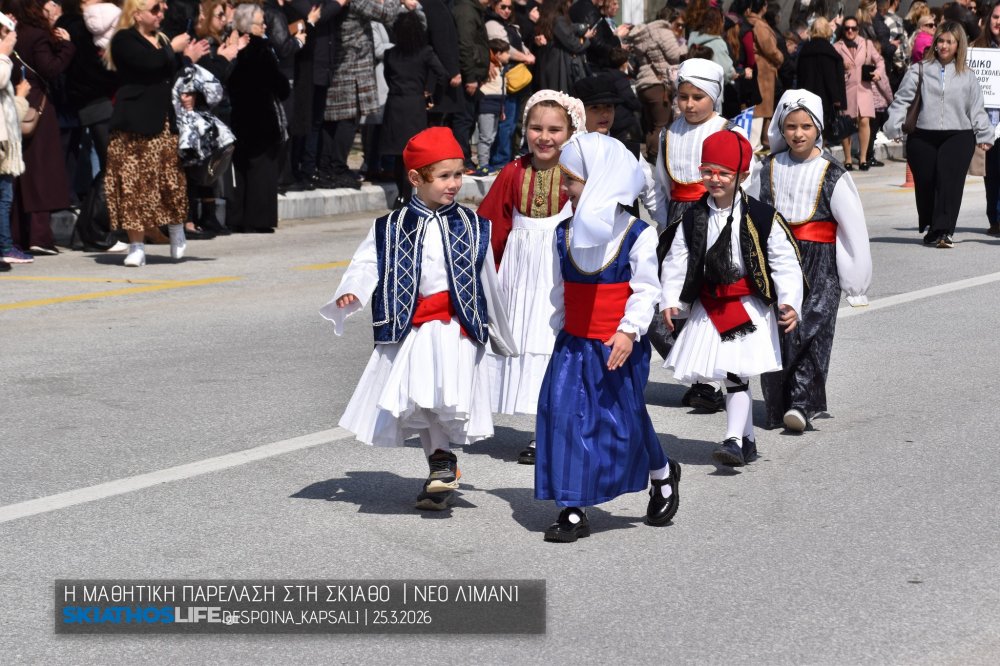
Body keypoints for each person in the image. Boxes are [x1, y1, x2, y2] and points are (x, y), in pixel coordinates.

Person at [319, 126, 516, 512]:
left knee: (438, 399)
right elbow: (366, 264)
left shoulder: (472, 225)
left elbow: (488, 281)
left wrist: (498, 330)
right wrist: (353, 291)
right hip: (412, 326)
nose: (454, 183)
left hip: (456, 327)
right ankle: (441, 465)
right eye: (444, 176)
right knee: (422, 399)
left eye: (458, 174)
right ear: (416, 178)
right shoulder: (390, 227)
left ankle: (441, 465)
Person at [536, 131, 679, 542]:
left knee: (624, 418)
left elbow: (646, 290)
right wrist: (559, 329)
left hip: (618, 344)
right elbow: (560, 288)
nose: (565, 188)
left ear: (600, 180)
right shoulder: (562, 232)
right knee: (565, 416)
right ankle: (573, 507)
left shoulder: (637, 233)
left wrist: (628, 331)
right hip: (573, 343)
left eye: (572, 180)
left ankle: (662, 472)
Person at [660, 128, 803, 467]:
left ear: (743, 174)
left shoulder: (762, 216)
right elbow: (677, 259)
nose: (715, 179)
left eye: (723, 172)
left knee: (735, 374)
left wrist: (789, 301)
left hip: (747, 306)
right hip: (709, 304)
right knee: (731, 374)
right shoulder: (692, 217)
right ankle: (747, 441)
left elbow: (784, 261)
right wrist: (670, 298)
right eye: (707, 171)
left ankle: (734, 440)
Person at [746, 90, 872, 432]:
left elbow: (853, 228)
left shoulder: (832, 172)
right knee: (780, 330)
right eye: (791, 127)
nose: (798, 133)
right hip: (777, 260)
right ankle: (778, 404)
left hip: (819, 264)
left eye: (805, 126)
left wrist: (855, 281)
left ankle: (803, 403)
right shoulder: (769, 168)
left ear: (817, 128)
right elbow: (752, 216)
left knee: (812, 330)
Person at [478, 89, 585, 465]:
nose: (544, 137)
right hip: (519, 277)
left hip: (559, 275)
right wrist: (480, 273)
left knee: (551, 345)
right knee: (524, 342)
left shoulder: (577, 174)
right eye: (536, 128)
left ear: (571, 132)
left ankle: (550, 433)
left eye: (555, 129)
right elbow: (491, 224)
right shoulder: (513, 171)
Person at [652, 58, 739, 412]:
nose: (688, 104)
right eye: (683, 96)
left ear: (713, 97)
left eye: (697, 97)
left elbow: (742, 183)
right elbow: (660, 185)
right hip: (677, 225)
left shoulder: (728, 131)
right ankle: (697, 374)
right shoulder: (668, 134)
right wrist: (664, 226)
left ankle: (714, 380)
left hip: (714, 224)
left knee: (709, 302)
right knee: (665, 304)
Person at [105, 0, 209, 267]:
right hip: (134, 123)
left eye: (162, 9)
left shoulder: (162, 39)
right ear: (137, 13)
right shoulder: (124, 39)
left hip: (164, 122)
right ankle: (136, 246)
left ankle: (176, 229)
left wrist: (188, 87)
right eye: (155, 9)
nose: (161, 14)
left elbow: (176, 74)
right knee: (132, 185)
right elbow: (146, 64)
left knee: (170, 181)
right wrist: (174, 50)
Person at [885, 20, 994, 248]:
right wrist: (894, 125)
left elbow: (976, 108)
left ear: (958, 45)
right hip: (922, 136)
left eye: (949, 42)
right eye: (940, 41)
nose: (944, 46)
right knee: (926, 183)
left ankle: (945, 232)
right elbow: (902, 100)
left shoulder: (968, 75)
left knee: (949, 183)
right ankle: (933, 228)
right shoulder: (919, 70)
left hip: (959, 135)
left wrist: (984, 134)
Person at [6, 0, 75, 257]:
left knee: (15, 169)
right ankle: (39, 235)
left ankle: (15, 235)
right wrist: (66, 47)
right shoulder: (36, 35)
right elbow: (50, 68)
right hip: (36, 106)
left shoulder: (7, 34)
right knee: (41, 170)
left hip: (10, 103)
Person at [381, 10, 451, 207]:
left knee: (398, 154)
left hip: (395, 103)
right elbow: (442, 75)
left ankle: (401, 195)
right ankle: (407, 193)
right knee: (411, 154)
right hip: (415, 104)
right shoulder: (425, 52)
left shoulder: (390, 54)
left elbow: (387, 77)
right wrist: (434, 96)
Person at [626, 5, 687, 163]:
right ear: (670, 20)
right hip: (658, 83)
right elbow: (675, 55)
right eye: (678, 24)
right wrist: (683, 44)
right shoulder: (663, 31)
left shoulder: (645, 32)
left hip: (644, 83)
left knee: (652, 125)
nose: (679, 28)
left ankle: (651, 155)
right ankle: (656, 158)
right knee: (661, 124)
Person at [0, 21, 32, 266]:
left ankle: (5, 245)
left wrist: (20, 98)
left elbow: (9, 113)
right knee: (4, 197)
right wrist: (4, 54)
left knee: (5, 195)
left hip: (6, 142)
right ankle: (5, 246)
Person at [796, 17, 847, 144]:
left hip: (806, 96)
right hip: (824, 98)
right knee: (821, 127)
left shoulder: (804, 50)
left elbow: (799, 74)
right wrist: (837, 98)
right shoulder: (828, 51)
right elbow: (830, 78)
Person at [974, 3, 1000, 235]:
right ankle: (994, 219)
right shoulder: (977, 49)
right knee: (991, 175)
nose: (998, 22)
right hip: (987, 125)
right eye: (996, 17)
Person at [534, 0, 594, 93]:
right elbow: (573, 44)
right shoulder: (558, 19)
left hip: (548, 64)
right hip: (558, 66)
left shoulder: (546, 18)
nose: (570, 5)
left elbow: (569, 29)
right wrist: (586, 39)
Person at [474, 38, 512, 177]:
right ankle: (483, 165)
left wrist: (502, 109)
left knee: (492, 135)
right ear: (497, 54)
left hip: (497, 104)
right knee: (486, 136)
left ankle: (486, 163)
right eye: (506, 52)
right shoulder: (487, 67)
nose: (509, 55)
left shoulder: (501, 67)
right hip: (487, 104)